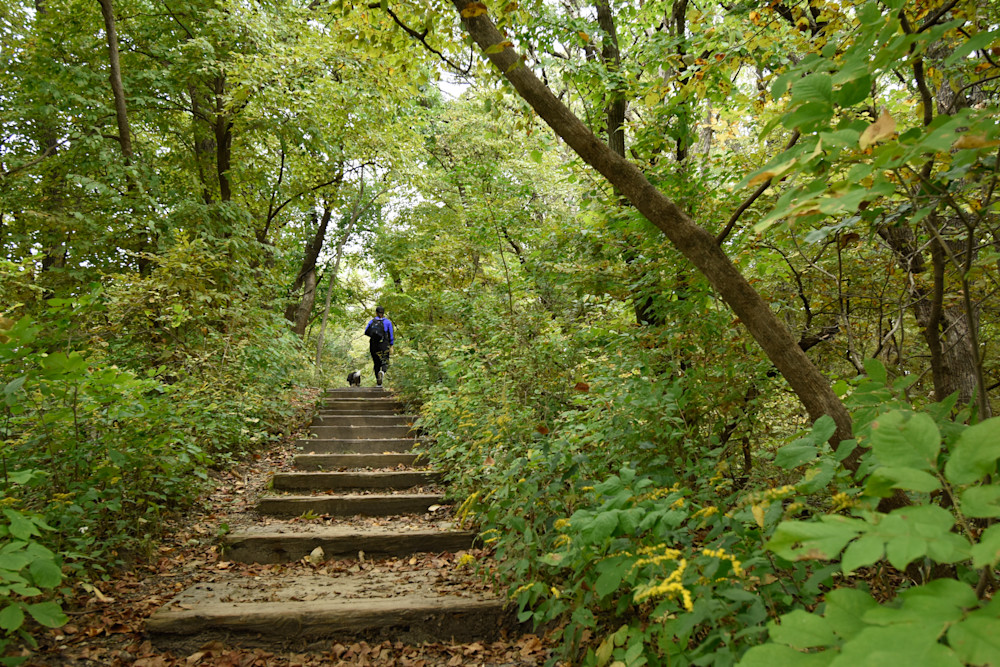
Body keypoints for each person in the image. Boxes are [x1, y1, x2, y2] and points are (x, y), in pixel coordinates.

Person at [364, 306, 394, 386]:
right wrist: (391, 345)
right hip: (383, 344)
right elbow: (391, 335)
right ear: (383, 313)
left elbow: (366, 331)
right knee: (385, 361)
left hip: (373, 345)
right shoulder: (387, 322)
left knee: (376, 363)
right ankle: (382, 372)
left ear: (376, 313)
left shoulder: (371, 322)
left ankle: (378, 383)